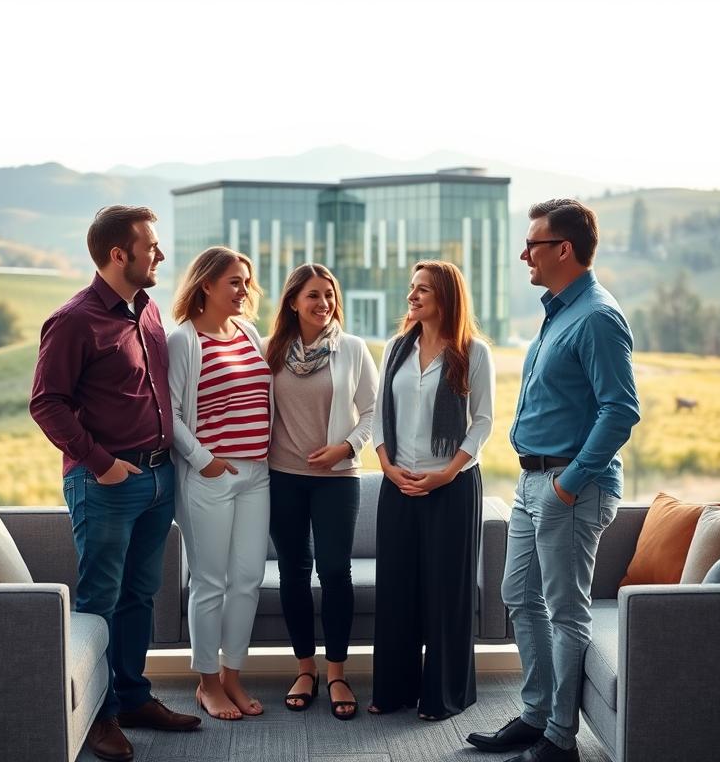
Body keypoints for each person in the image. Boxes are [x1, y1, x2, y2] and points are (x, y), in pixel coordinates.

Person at [466, 199, 640, 762]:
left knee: (565, 612)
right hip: (533, 482)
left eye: (532, 245)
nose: (525, 255)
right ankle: (536, 715)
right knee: (518, 596)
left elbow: (620, 411)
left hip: (569, 486)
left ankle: (560, 739)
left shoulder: (597, 316)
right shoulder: (559, 311)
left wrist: (570, 482)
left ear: (563, 249)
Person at [30, 205, 200, 762]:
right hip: (106, 482)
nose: (161, 255)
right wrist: (100, 463)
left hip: (157, 478)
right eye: (151, 246)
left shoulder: (146, 309)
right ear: (118, 254)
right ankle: (99, 716)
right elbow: (47, 404)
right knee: (100, 600)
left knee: (139, 596)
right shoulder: (73, 321)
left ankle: (133, 699)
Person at [369, 259, 495, 721]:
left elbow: (482, 423)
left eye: (423, 289)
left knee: (446, 593)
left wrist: (448, 472)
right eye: (412, 287)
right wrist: (387, 467)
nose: (412, 296)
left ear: (446, 296)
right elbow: (379, 415)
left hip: (452, 487)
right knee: (396, 589)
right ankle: (394, 690)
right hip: (397, 484)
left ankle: (444, 695)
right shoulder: (395, 349)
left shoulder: (474, 352)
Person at [265, 263, 378, 720]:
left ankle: (336, 673)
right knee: (293, 572)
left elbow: (372, 411)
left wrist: (345, 447)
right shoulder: (270, 350)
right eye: (313, 295)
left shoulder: (351, 349)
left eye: (329, 295)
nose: (323, 303)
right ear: (293, 301)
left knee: (334, 570)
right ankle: (304, 669)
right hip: (282, 476)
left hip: (338, 478)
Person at [166, 246, 271, 721]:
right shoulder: (184, 340)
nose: (244, 291)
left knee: (247, 580)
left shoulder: (248, 332)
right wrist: (204, 460)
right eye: (234, 282)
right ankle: (207, 683)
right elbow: (170, 414)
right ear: (206, 284)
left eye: (247, 282)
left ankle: (231, 675)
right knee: (210, 582)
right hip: (210, 476)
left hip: (257, 475)